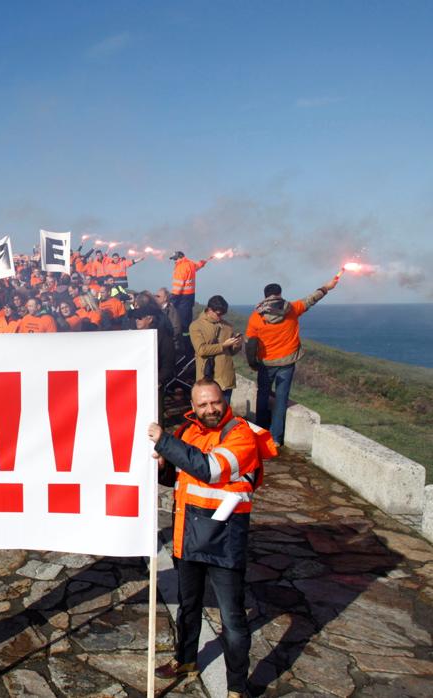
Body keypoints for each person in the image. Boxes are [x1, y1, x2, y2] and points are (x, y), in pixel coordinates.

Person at [148, 379, 277, 698]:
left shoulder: (241, 434)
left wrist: (164, 441)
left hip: (224, 540)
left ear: (224, 399)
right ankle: (186, 660)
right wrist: (165, 465)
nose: (209, 409)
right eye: (202, 404)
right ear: (193, 407)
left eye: (214, 402)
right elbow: (179, 479)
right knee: (187, 606)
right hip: (188, 536)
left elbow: (209, 469)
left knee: (232, 618)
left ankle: (236, 686)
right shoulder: (188, 432)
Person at [245, 276, 338, 446]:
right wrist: (327, 287)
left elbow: (250, 343)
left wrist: (253, 363)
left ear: (265, 296)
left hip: (266, 363)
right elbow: (311, 299)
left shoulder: (256, 317)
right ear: (279, 295)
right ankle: (275, 438)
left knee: (263, 395)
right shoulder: (292, 309)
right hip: (287, 362)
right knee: (281, 399)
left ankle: (259, 432)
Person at [189, 295, 242, 401]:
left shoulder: (227, 326)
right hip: (207, 377)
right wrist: (223, 345)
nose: (220, 317)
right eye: (218, 314)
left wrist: (237, 344)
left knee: (225, 414)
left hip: (225, 378)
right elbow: (201, 350)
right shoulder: (196, 326)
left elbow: (231, 352)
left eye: (222, 314)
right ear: (209, 310)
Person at [169, 251, 209, 332]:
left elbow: (178, 287)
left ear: (181, 257)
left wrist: (172, 301)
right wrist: (202, 263)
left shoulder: (180, 267)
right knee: (187, 321)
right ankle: (187, 339)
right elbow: (196, 267)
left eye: (175, 259)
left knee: (180, 322)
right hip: (190, 298)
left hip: (181, 299)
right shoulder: (190, 263)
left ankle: (183, 341)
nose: (175, 261)